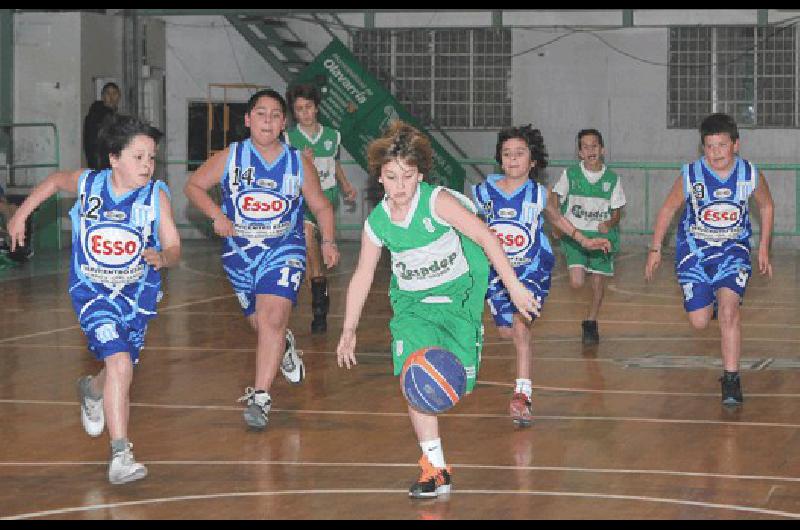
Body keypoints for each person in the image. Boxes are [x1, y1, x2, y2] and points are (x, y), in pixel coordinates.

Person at [336, 121, 539, 499]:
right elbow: (363, 274)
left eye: (408, 177)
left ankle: (437, 461)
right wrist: (349, 328)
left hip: (458, 298)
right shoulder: (377, 222)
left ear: (420, 176)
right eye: (392, 176)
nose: (400, 186)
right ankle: (435, 467)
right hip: (412, 306)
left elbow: (485, 236)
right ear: (379, 177)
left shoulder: (436, 202)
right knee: (414, 377)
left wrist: (513, 285)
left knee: (455, 385)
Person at [7, 113, 181, 484]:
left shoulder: (156, 195)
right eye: (138, 157)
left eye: (152, 157)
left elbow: (174, 246)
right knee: (120, 363)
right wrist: (20, 214)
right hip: (92, 290)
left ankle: (90, 390)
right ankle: (121, 454)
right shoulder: (89, 184)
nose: (148, 165)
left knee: (120, 368)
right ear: (114, 158)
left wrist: (163, 257)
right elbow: (55, 181)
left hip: (136, 295)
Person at [184, 89, 339, 430]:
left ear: (284, 123)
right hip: (240, 254)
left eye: (274, 115)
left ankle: (260, 397)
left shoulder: (298, 162)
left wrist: (327, 240)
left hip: (284, 248)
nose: (267, 120)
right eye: (260, 114)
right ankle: (284, 347)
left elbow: (321, 205)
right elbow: (194, 186)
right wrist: (216, 216)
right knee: (264, 326)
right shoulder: (231, 157)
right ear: (248, 119)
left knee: (271, 318)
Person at [472, 125, 611, 427]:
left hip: (532, 269)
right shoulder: (483, 193)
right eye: (507, 154)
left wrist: (585, 241)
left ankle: (522, 395)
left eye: (520, 153)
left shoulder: (539, 194)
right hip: (498, 273)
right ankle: (515, 340)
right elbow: (469, 226)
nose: (513, 159)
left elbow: (559, 220)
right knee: (506, 332)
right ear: (500, 159)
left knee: (521, 329)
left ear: (533, 160)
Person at [645, 113, 774, 406]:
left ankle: (731, 378)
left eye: (722, 145)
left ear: (736, 145)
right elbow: (667, 210)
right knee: (700, 321)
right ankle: (712, 301)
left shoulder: (750, 174)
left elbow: (766, 206)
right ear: (702, 148)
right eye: (709, 146)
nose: (716, 152)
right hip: (695, 251)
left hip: (733, 249)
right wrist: (655, 248)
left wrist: (764, 247)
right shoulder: (691, 175)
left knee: (729, 312)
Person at [285, 83, 357, 334]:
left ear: (316, 109)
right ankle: (319, 294)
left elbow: (334, 163)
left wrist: (346, 185)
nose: (304, 113)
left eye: (308, 108)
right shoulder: (289, 139)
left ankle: (318, 293)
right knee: (307, 242)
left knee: (309, 239)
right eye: (299, 109)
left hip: (325, 197)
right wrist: (300, 161)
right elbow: (285, 170)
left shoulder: (332, 136)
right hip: (301, 198)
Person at [551, 129, 626, 344]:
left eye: (594, 146)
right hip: (576, 235)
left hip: (601, 238)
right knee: (576, 282)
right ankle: (588, 311)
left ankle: (591, 322)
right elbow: (555, 197)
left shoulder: (612, 179)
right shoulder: (570, 175)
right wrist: (557, 222)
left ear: (602, 150)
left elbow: (617, 211)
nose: (590, 150)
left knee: (597, 284)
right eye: (585, 146)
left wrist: (610, 223)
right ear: (580, 153)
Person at [83, 81, 120, 169]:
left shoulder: (112, 115)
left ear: (119, 96)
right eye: (108, 93)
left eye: (114, 93)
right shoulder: (97, 115)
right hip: (102, 164)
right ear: (103, 96)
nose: (111, 97)